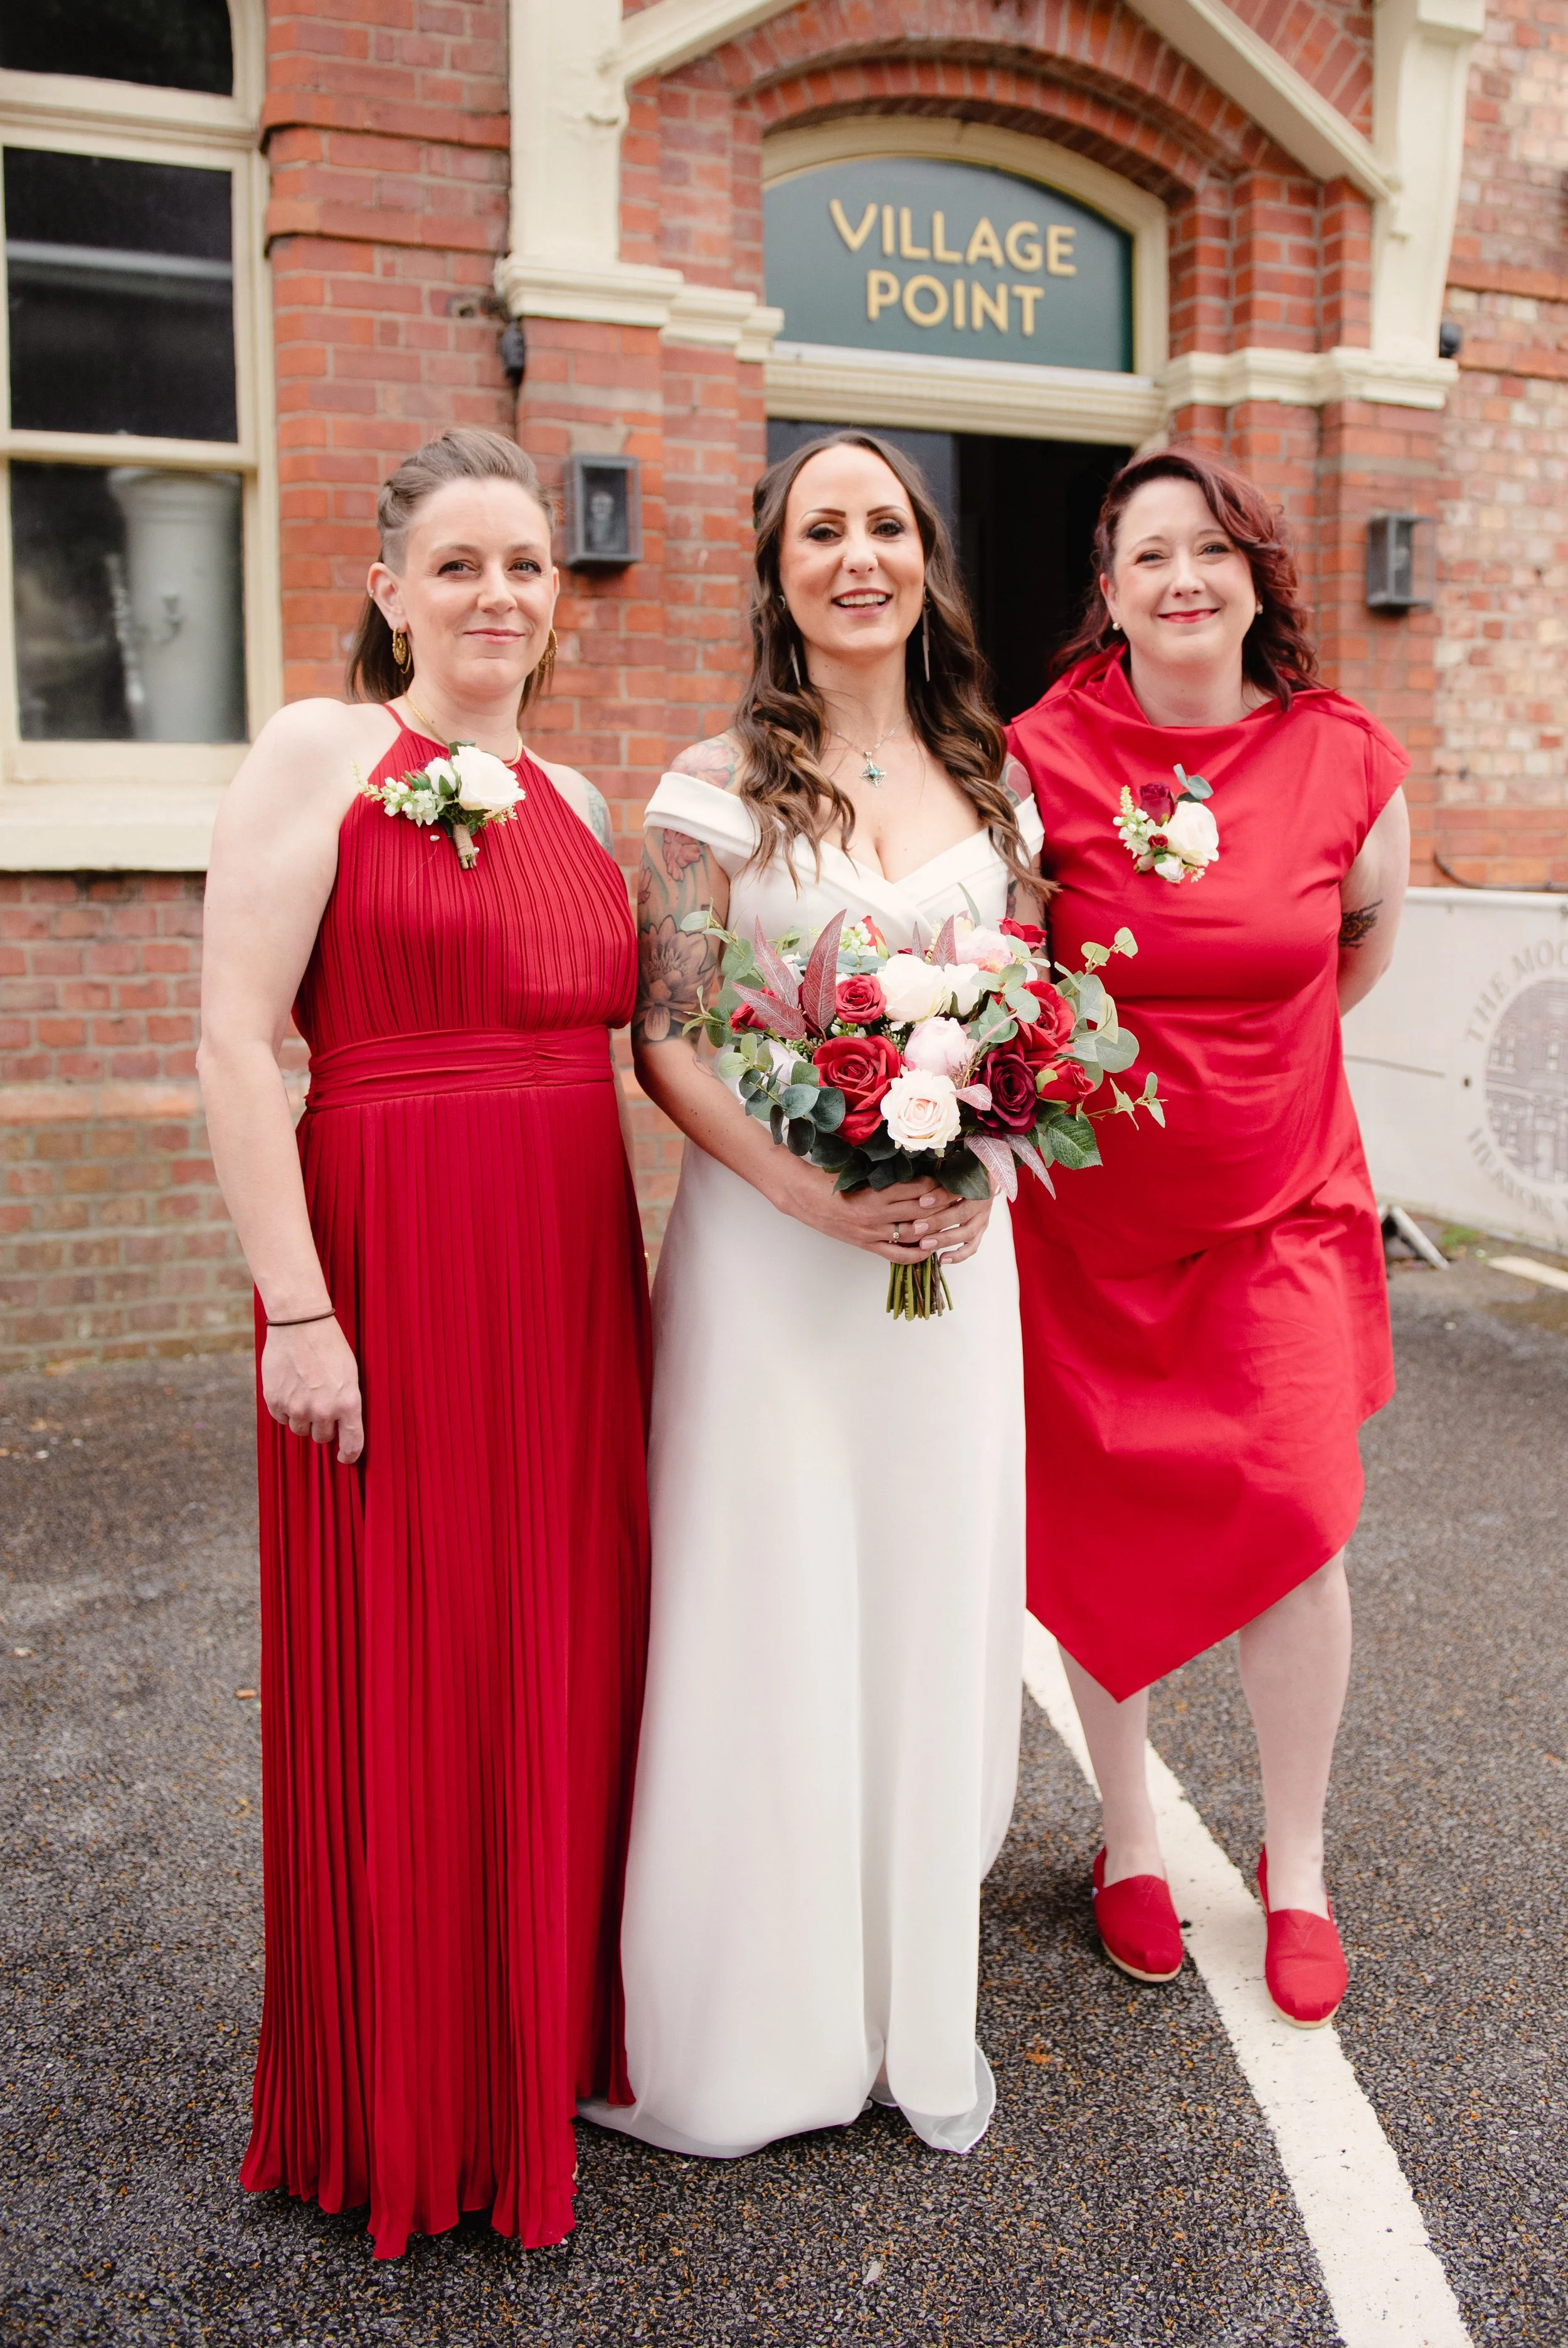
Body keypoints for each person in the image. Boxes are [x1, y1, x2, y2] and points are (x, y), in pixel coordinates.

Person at [198, 427, 650, 2257]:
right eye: (456, 565)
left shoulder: (582, 804)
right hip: (383, 1264)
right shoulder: (323, 747)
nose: (495, 598)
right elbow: (239, 1043)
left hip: (564, 1275)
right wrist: (297, 1309)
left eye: (525, 566)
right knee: (411, 1657)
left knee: (555, 1649)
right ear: (389, 590)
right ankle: (398, 2098)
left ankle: (527, 2052)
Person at [578, 431, 1044, 2160]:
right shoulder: (713, 787)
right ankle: (754, 2025)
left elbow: (1033, 1018)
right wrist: (801, 1197)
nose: (857, 555)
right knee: (762, 1595)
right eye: (818, 529)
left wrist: (977, 1172)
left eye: (884, 525)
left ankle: (899, 2005)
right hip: (769, 1272)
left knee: (923, 1596)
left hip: (942, 1265)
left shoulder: (999, 789)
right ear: (775, 572)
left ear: (925, 558)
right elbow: (671, 1035)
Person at [1006, 447, 1409, 2028]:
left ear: (1255, 577)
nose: (1183, 579)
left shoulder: (1344, 756)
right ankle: (1126, 1839)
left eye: (1211, 551)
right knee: (1109, 1520)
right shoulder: (1034, 758)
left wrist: (1257, 1070)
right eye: (1147, 555)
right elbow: (1008, 974)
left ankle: (1293, 1865)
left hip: (1283, 1206)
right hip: (1091, 1223)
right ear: (1106, 593)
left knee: (1298, 1517)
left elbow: (1355, 944)